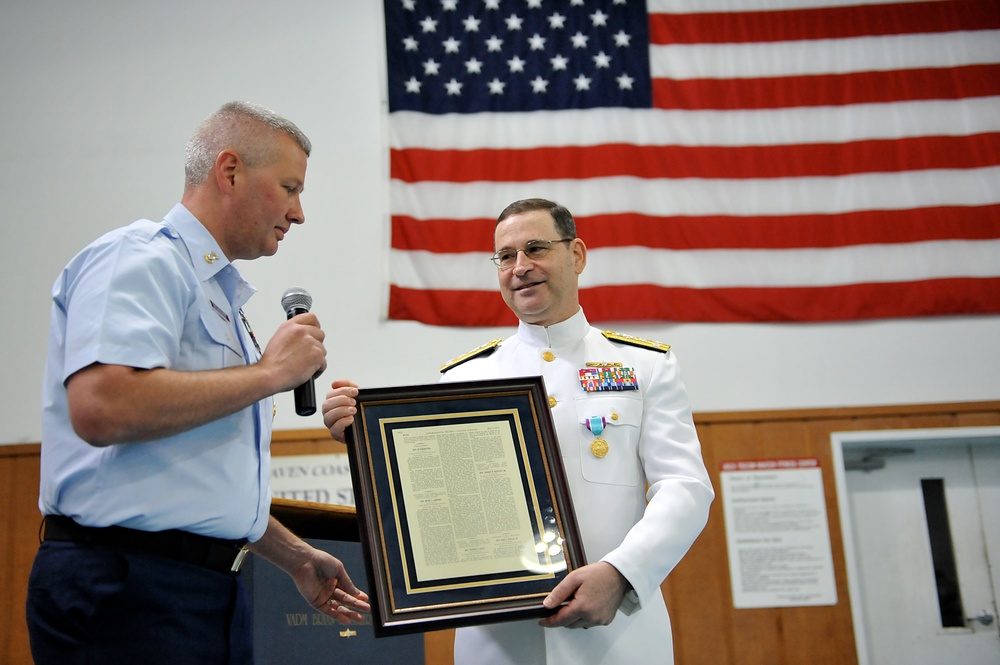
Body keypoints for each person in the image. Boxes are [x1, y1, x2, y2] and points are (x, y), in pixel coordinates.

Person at [27, 101, 369, 665]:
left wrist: (293, 556)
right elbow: (102, 406)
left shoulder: (217, 293)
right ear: (229, 170)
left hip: (204, 587)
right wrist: (268, 375)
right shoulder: (139, 259)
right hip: (128, 588)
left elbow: (192, 475)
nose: (299, 213)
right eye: (289, 187)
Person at [437, 198, 715, 664]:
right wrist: (365, 443)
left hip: (618, 638)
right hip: (499, 641)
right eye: (506, 256)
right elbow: (439, 504)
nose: (520, 267)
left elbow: (685, 488)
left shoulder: (644, 366)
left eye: (536, 249)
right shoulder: (460, 380)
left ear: (577, 255)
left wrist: (621, 574)